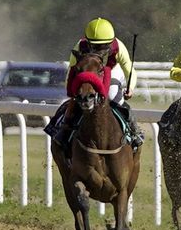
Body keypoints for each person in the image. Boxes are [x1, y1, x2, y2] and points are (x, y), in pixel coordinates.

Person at [44, 16, 142, 148]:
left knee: (113, 96)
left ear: (110, 42)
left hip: (111, 70)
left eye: (103, 47)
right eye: (95, 47)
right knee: (76, 100)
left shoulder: (118, 47)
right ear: (88, 42)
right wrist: (72, 91)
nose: (99, 51)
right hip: (88, 73)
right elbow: (71, 70)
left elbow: (129, 70)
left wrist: (130, 88)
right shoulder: (80, 46)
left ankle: (134, 132)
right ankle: (63, 129)